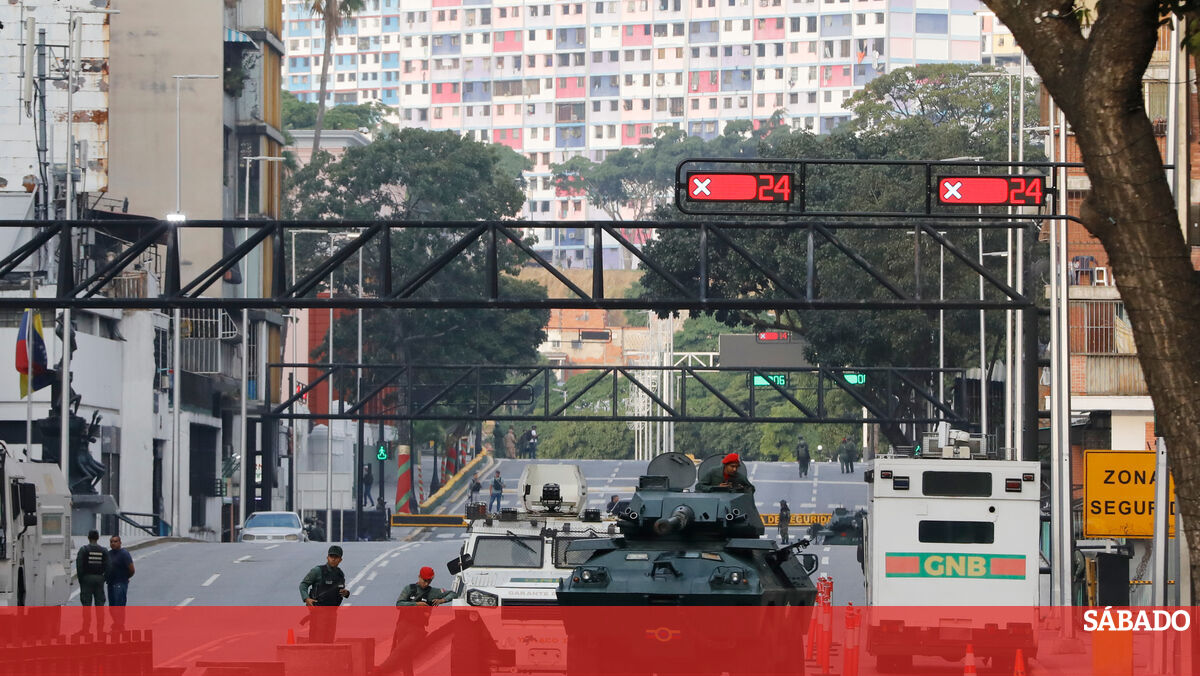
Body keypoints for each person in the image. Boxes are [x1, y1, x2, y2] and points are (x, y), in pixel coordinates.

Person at [374, 567, 457, 676]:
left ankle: (379, 670)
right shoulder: (409, 589)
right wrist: (416, 604)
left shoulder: (433, 592)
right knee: (406, 657)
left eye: (429, 581)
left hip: (418, 629)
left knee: (401, 650)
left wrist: (442, 600)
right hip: (403, 625)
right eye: (424, 580)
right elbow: (399, 604)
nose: (426, 584)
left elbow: (453, 594)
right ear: (419, 577)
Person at [299, 545, 351, 643]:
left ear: (340, 560)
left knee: (329, 639)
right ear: (327, 557)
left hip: (332, 612)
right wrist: (306, 598)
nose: (333, 559)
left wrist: (346, 593)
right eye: (331, 556)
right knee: (317, 639)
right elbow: (303, 585)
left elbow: (340, 590)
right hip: (318, 611)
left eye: (336, 557)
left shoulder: (340, 574)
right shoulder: (318, 571)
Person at [76, 529, 108, 633]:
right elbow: (108, 566)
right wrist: (103, 578)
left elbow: (79, 566)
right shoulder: (103, 550)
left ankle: (86, 629)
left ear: (88, 537)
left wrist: (81, 579)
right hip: (99, 579)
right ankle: (100, 630)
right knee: (100, 606)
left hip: (86, 579)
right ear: (98, 538)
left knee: (86, 606)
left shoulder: (84, 550)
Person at [105, 535, 135, 631]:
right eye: (111, 542)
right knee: (112, 607)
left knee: (119, 606)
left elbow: (132, 569)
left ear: (120, 543)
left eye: (115, 541)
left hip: (120, 583)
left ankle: (119, 626)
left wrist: (125, 578)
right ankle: (116, 624)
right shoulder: (109, 554)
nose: (113, 543)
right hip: (110, 583)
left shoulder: (124, 554)